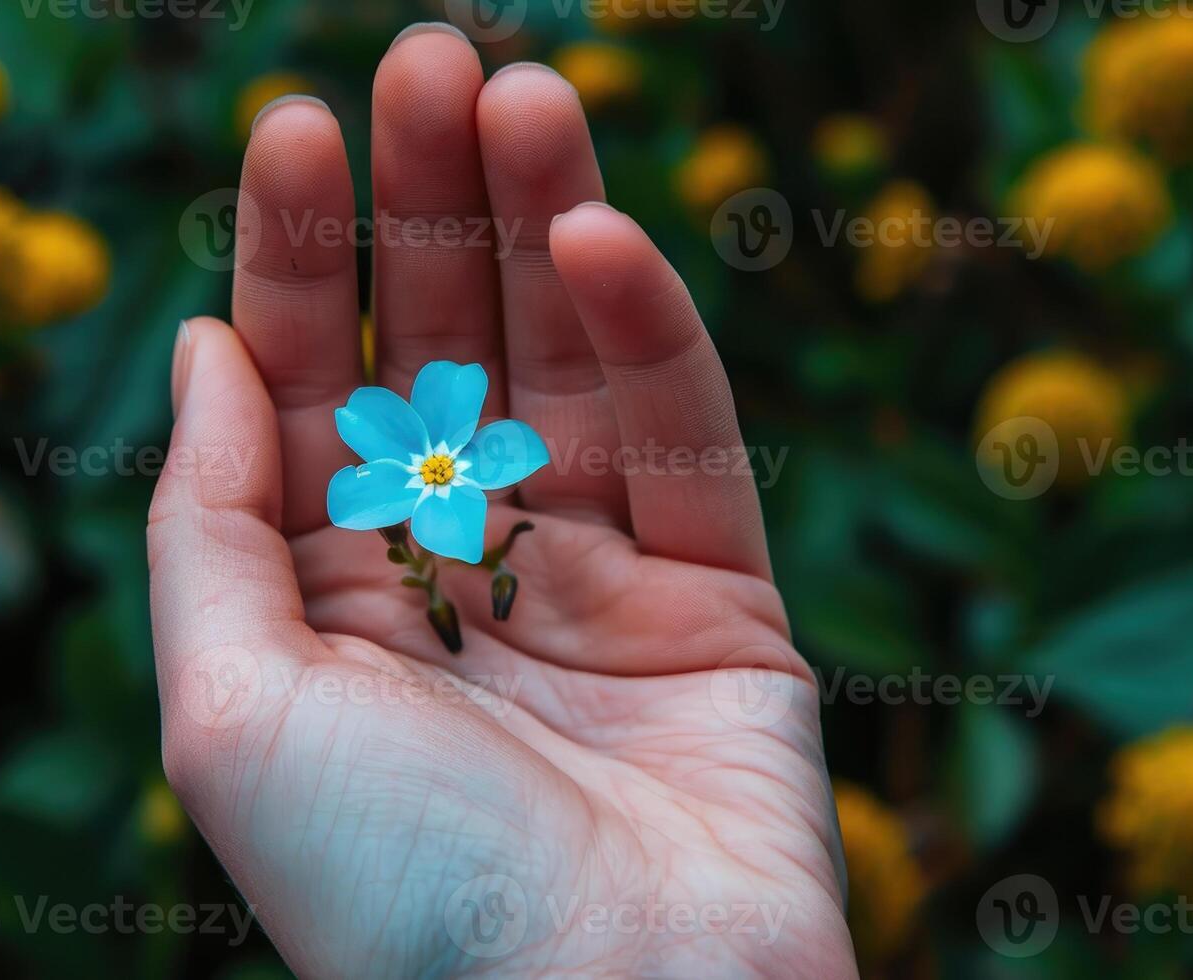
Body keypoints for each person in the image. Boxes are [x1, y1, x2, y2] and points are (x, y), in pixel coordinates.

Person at [149, 22, 856, 978]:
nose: (438, 474)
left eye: (441, 471)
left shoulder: (465, 479)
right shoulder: (408, 491)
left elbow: (483, 464)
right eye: (436, 475)